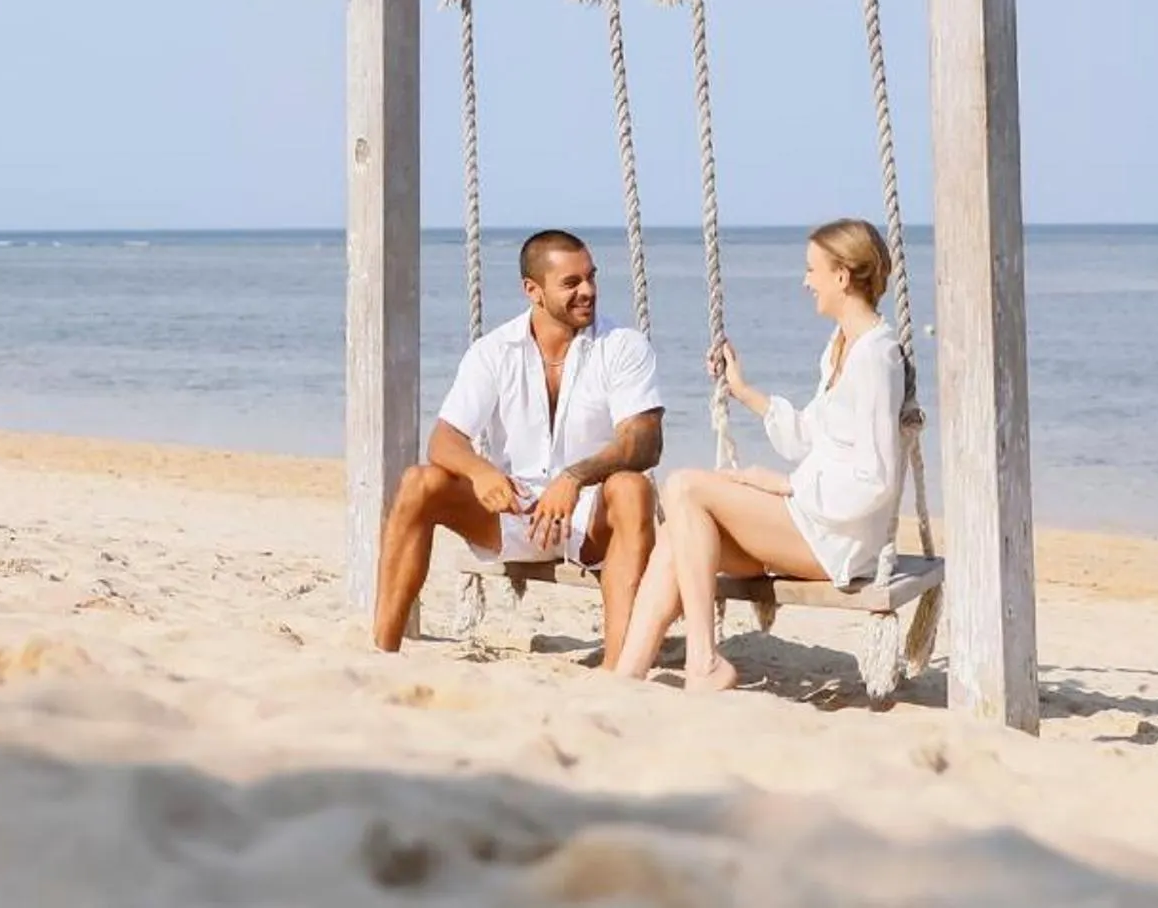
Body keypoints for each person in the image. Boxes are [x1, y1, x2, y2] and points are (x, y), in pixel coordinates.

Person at [610, 218, 907, 691]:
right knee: (677, 532)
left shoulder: (877, 357)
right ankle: (627, 676)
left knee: (684, 486)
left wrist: (786, 484)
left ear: (842, 276)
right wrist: (742, 390)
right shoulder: (840, 346)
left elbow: (877, 478)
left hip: (838, 539)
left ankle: (703, 662)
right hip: (809, 519)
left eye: (812, 269)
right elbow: (810, 436)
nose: (805, 280)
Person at [371, 228, 664, 665]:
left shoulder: (623, 346)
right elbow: (444, 438)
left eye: (591, 277)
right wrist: (480, 471)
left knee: (633, 488)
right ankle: (382, 653)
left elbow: (645, 442)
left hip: (592, 516)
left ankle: (618, 672)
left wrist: (575, 477)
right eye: (571, 283)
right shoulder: (493, 351)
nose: (588, 291)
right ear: (533, 291)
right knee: (419, 482)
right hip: (517, 511)